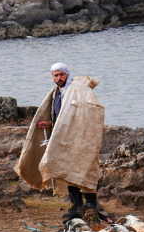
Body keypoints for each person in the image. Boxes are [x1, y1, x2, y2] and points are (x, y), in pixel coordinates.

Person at [16, 63, 107, 221]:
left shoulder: (79, 89)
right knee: (67, 170)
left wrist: (80, 132)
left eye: (61, 75)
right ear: (52, 77)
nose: (59, 78)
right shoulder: (56, 93)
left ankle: (92, 208)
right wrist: (50, 123)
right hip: (63, 139)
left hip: (80, 138)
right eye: (56, 75)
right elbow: (62, 115)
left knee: (86, 170)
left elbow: (93, 111)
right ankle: (76, 207)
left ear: (67, 74)